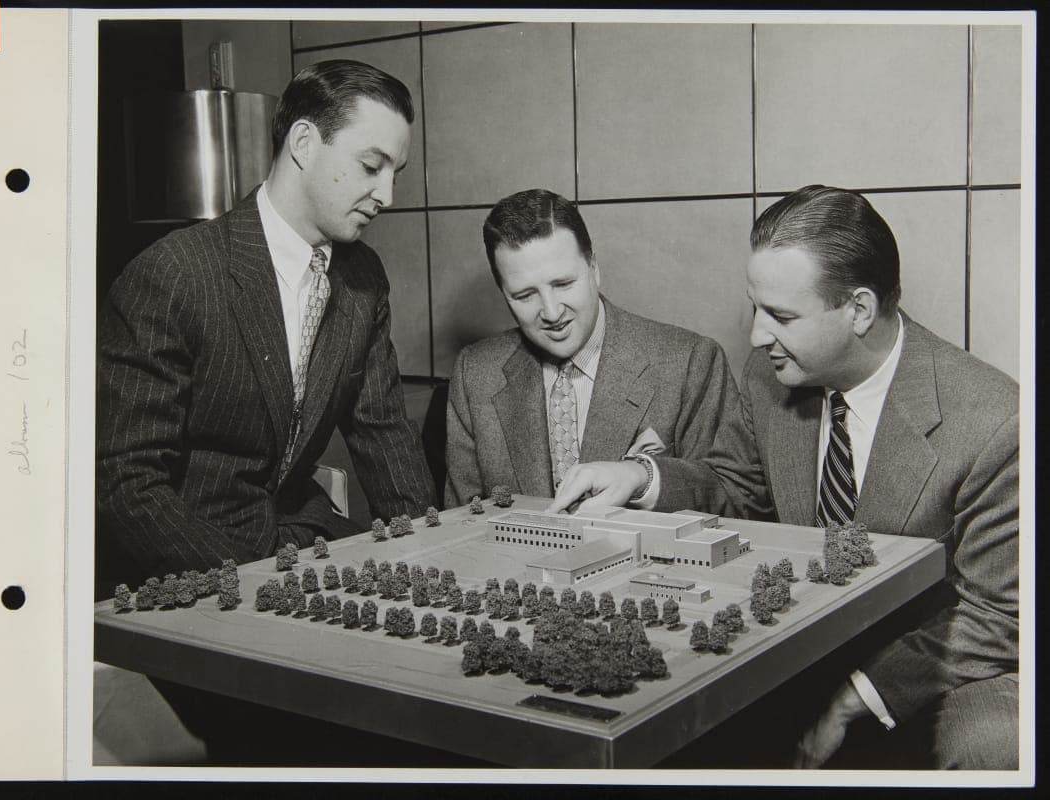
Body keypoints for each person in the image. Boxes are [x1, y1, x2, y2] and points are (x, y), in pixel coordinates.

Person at [551, 185, 1018, 770]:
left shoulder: (994, 420)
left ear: (859, 310)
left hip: (922, 669)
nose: (756, 336)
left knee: (992, 747)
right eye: (756, 309)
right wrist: (641, 477)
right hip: (789, 655)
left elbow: (999, 615)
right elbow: (736, 493)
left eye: (781, 316)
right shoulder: (768, 375)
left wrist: (853, 700)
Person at [97, 60, 435, 597]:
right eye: (372, 166)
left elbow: (384, 433)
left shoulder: (363, 277)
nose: (387, 195)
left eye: (396, 173)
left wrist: (429, 556)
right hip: (187, 560)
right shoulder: (173, 274)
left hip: (297, 539)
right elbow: (125, 483)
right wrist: (248, 587)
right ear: (303, 142)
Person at [445, 188, 738, 510]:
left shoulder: (690, 362)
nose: (552, 312)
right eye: (525, 295)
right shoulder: (475, 373)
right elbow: (462, 520)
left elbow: (734, 499)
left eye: (563, 284)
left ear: (594, 269)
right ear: (503, 293)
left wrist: (644, 478)